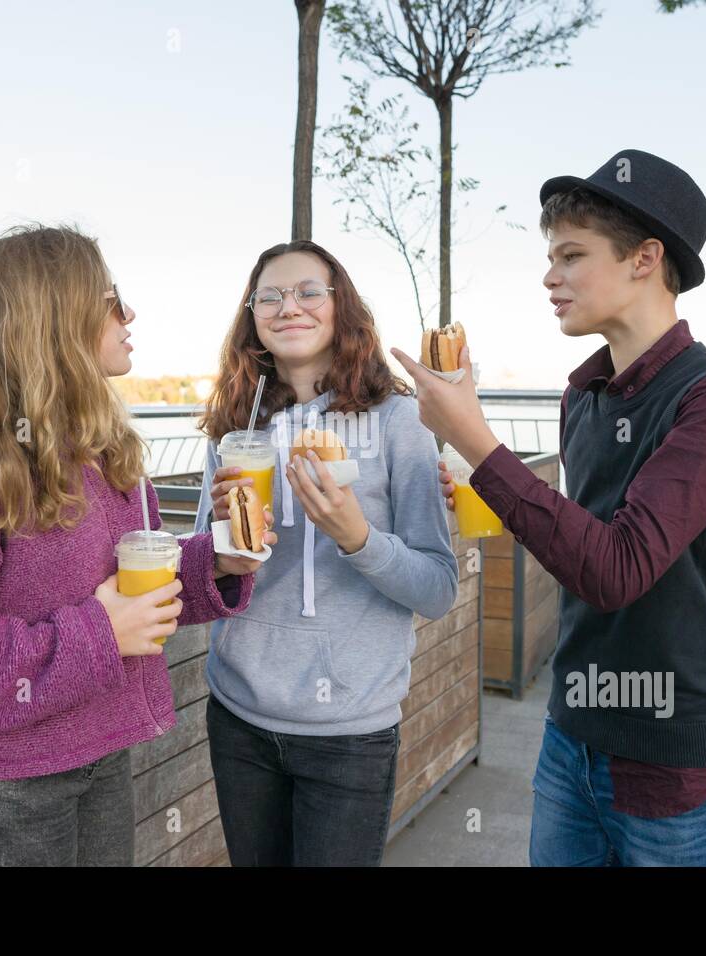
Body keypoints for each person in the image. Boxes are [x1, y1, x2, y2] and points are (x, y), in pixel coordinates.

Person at [393, 150, 706, 866]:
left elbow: (619, 569)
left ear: (645, 259)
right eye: (549, 256)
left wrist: (475, 440)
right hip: (571, 739)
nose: (549, 275)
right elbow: (587, 538)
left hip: (675, 764)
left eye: (571, 255)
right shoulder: (583, 395)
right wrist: (485, 489)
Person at [0, 224, 271, 866]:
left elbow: (127, 588)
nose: (129, 313)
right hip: (10, 785)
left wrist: (216, 563)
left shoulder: (98, 448)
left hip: (100, 748)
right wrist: (100, 635)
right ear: (52, 319)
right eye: (111, 298)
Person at [194, 239, 459, 866]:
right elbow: (207, 574)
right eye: (271, 296)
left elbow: (439, 588)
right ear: (252, 315)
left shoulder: (398, 422)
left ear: (341, 306)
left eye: (309, 291)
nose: (290, 307)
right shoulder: (237, 426)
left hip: (350, 730)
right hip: (239, 717)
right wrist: (223, 548)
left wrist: (357, 537)